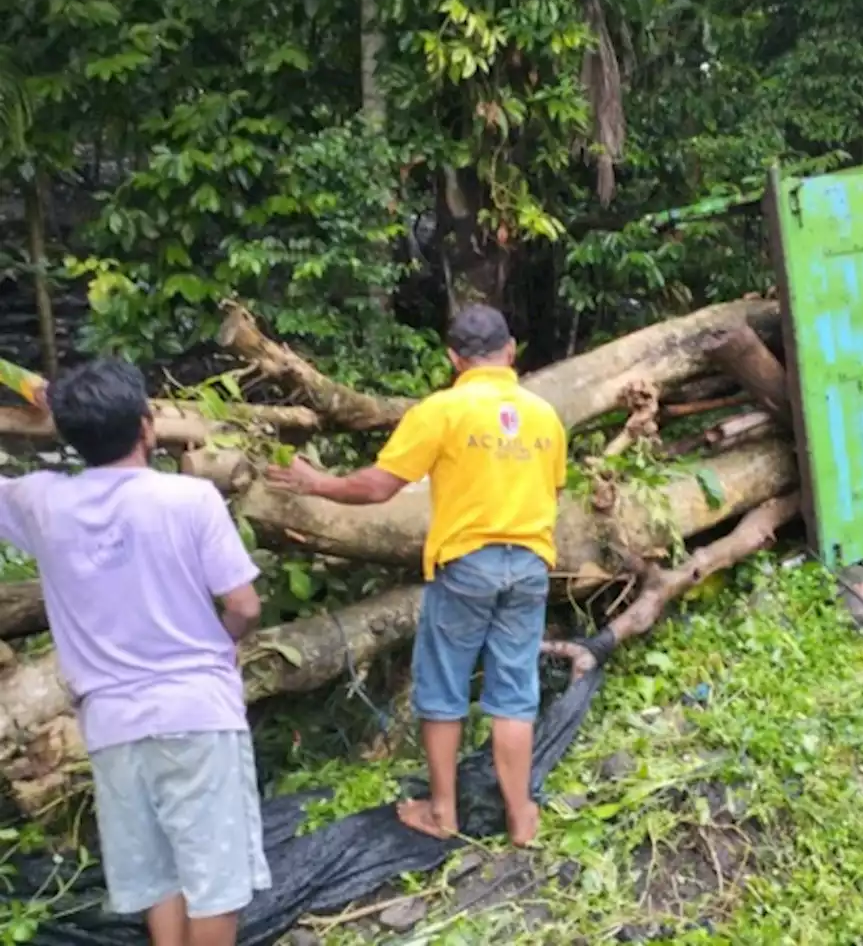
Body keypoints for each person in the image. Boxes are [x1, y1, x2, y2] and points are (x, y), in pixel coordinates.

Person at [266, 304, 566, 847]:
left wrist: (317, 484)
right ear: (511, 350)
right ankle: (522, 816)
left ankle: (443, 812)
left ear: (453, 358)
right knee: (514, 694)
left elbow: (379, 487)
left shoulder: (442, 410)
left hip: (467, 566)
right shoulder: (544, 415)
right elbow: (552, 488)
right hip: (529, 564)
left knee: (445, 688)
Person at [0, 359, 269, 946]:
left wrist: (35, 397)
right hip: (197, 710)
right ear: (148, 426)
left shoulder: (41, 504)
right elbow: (245, 605)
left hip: (112, 723)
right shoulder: (190, 499)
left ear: (66, 436)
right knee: (215, 875)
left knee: (156, 872)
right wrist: (221, 643)